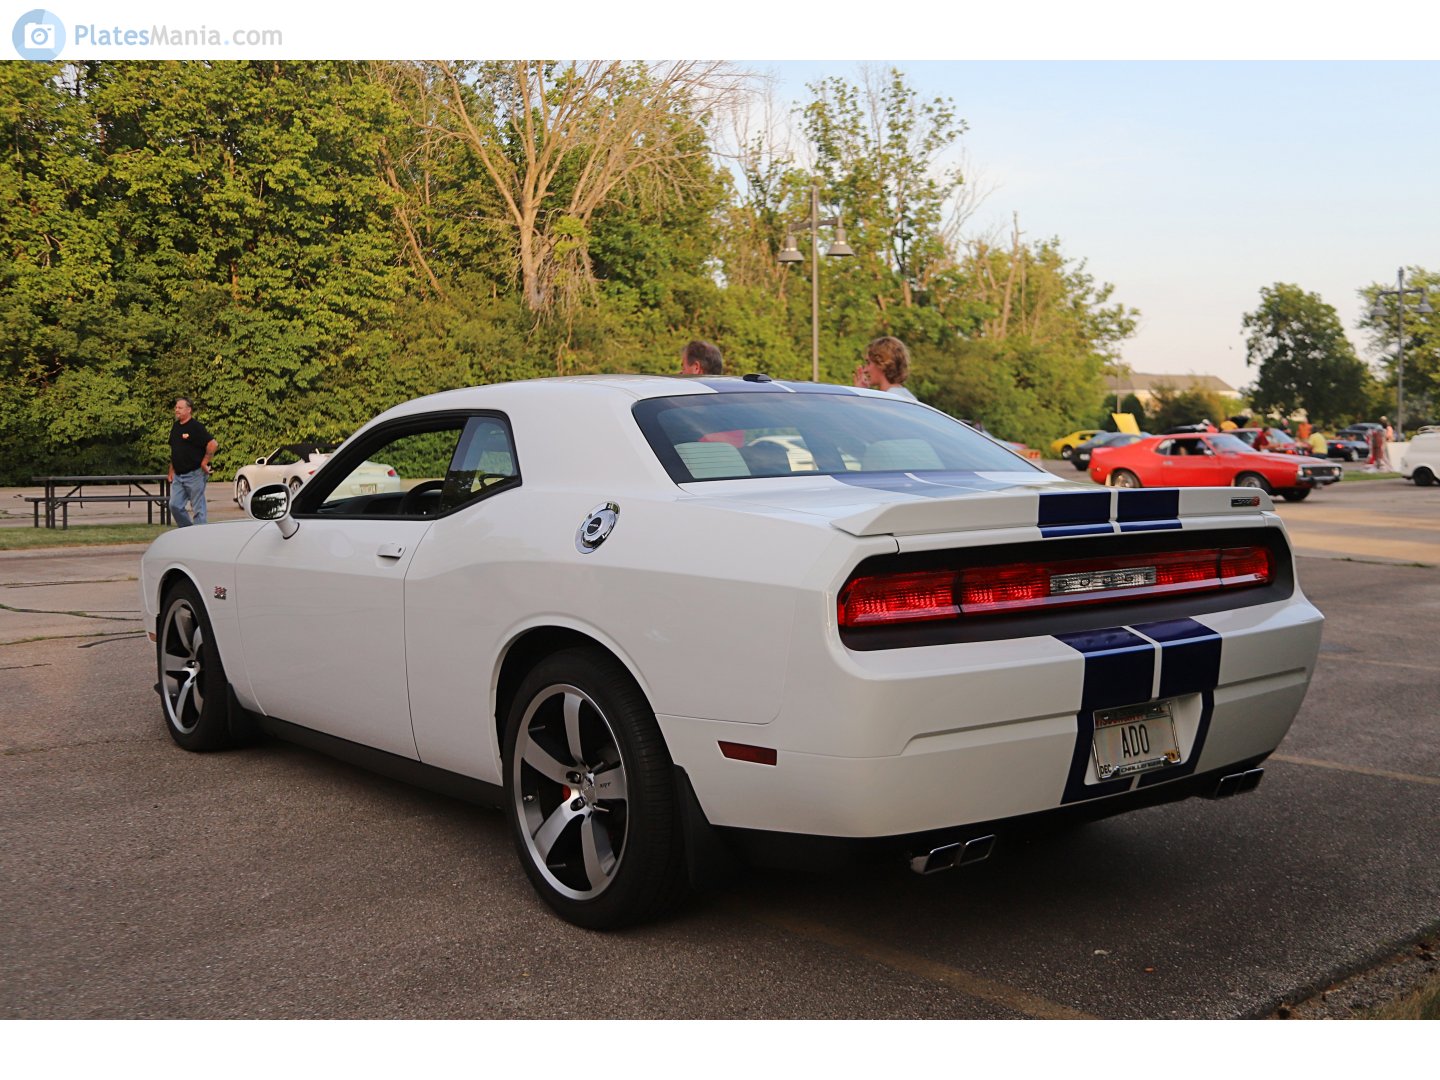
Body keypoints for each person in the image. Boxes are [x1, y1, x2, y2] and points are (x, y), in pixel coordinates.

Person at [168, 397, 218, 527]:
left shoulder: (196, 427)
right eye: (176, 407)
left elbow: (213, 444)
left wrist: (204, 462)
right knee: (174, 505)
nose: (176, 410)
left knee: (198, 509)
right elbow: (175, 450)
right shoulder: (175, 427)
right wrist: (171, 471)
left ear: (189, 410)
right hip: (179, 476)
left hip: (195, 474)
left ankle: (199, 537)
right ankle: (187, 531)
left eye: (180, 408)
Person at [853, 336, 917, 400]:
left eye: (868, 363)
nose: (865, 370)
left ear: (881, 363)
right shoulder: (908, 398)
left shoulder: (889, 400)